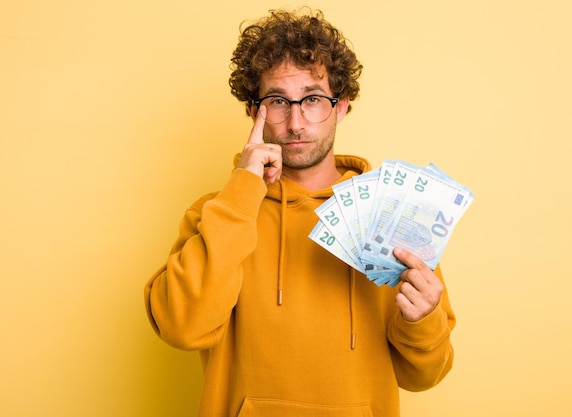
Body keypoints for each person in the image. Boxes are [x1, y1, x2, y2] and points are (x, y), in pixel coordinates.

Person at [144, 8, 455, 417]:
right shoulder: (218, 212)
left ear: (341, 106)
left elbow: (423, 377)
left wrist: (424, 319)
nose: (295, 122)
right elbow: (182, 328)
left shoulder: (392, 215)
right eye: (277, 101)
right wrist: (243, 191)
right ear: (254, 112)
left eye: (312, 99)